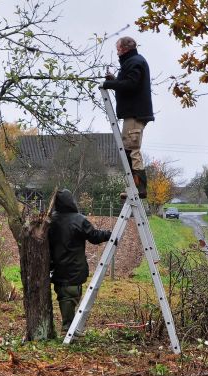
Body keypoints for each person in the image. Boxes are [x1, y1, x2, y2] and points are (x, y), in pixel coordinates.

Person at [49, 190, 113, 332]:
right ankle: (69, 329)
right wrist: (109, 234)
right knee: (70, 296)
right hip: (75, 269)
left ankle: (70, 328)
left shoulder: (50, 221)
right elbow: (94, 236)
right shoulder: (79, 220)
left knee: (64, 296)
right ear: (71, 201)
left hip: (57, 268)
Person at [102, 36, 154, 199]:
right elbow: (129, 83)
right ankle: (134, 186)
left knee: (132, 149)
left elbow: (131, 85)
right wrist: (116, 81)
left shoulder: (135, 62)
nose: (117, 52)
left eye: (118, 49)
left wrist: (109, 84)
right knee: (128, 148)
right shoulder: (133, 62)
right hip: (133, 113)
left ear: (124, 49)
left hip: (135, 113)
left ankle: (139, 188)